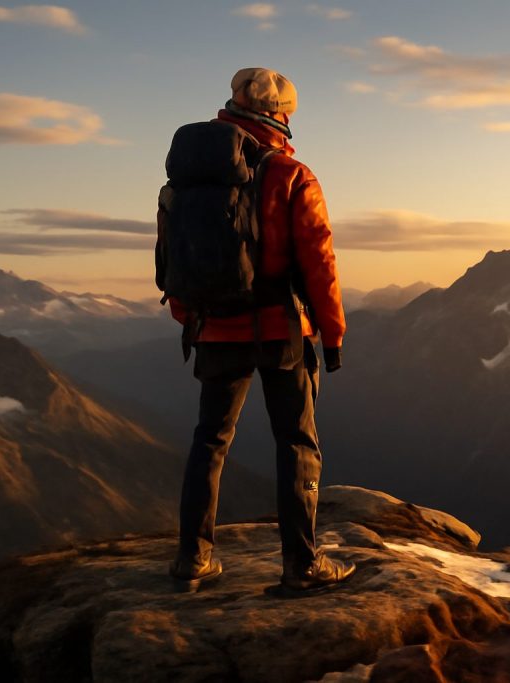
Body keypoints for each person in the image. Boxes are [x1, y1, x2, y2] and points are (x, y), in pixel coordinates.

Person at [157, 67, 355, 594]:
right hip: (281, 330)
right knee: (295, 441)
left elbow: (170, 256)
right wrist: (331, 334)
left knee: (210, 440)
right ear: (280, 115)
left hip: (215, 327)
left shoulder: (189, 178)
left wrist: (194, 317)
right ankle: (302, 565)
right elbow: (319, 262)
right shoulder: (292, 175)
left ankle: (193, 558)